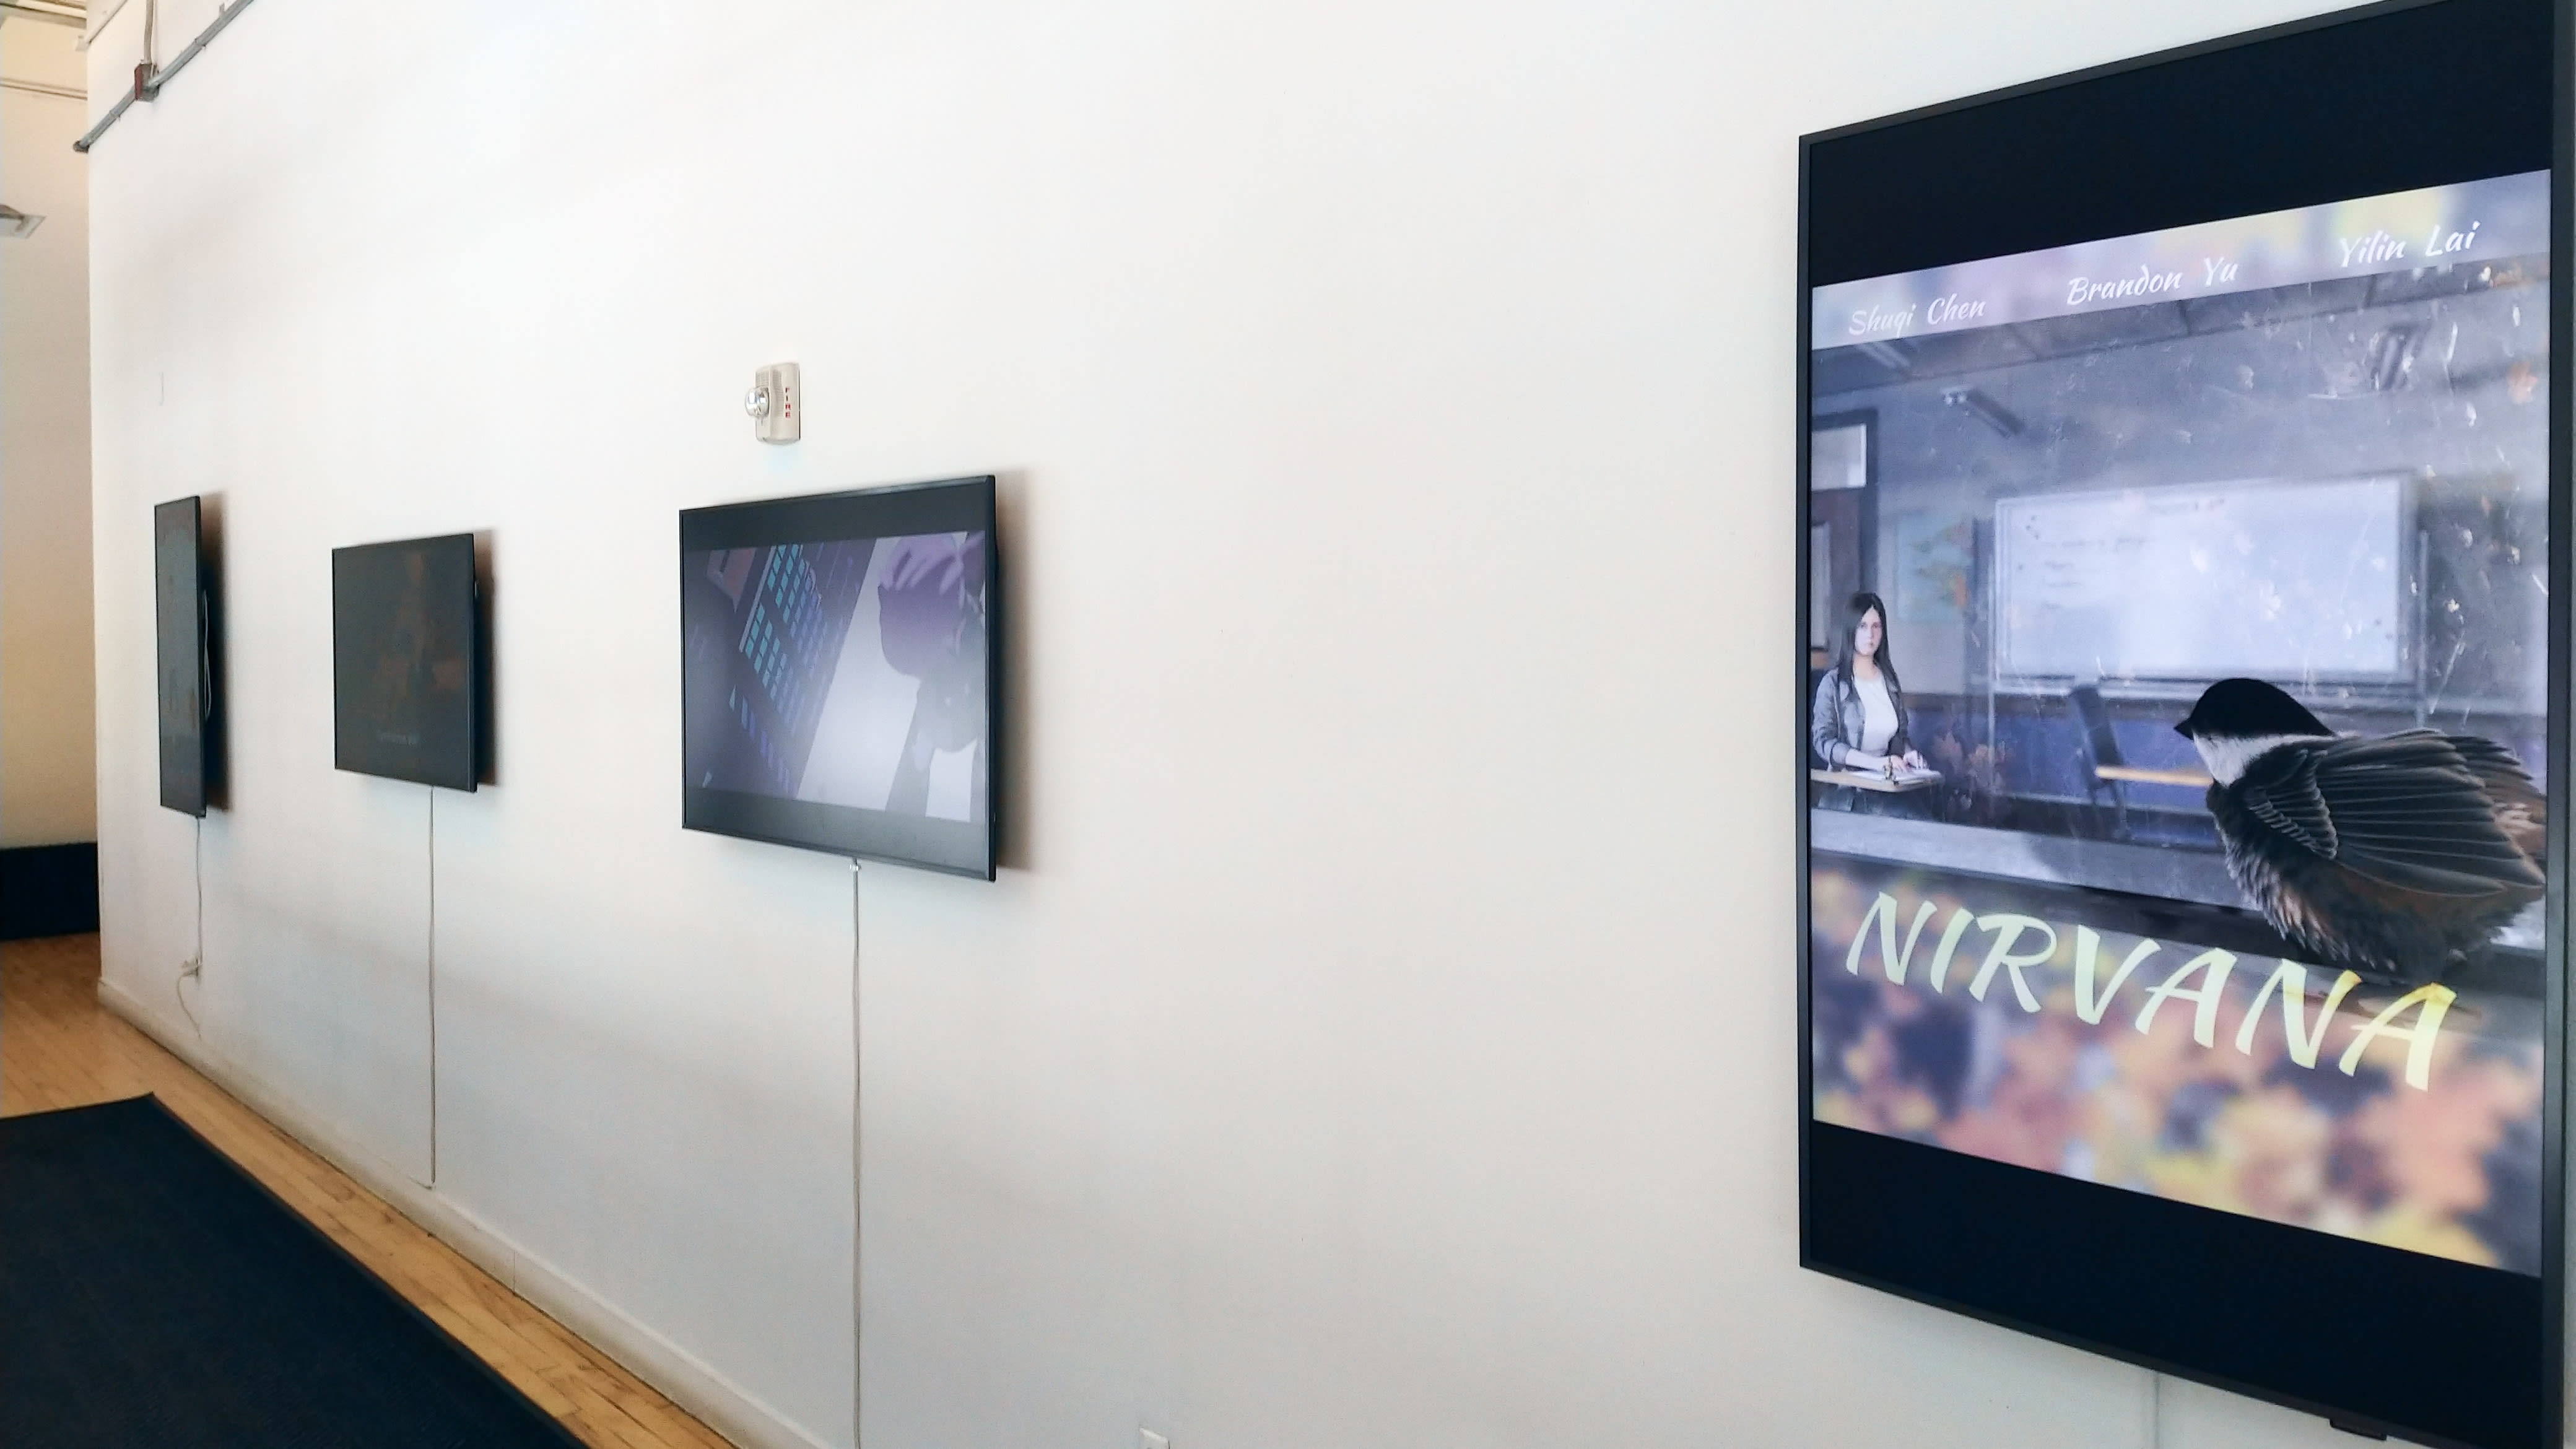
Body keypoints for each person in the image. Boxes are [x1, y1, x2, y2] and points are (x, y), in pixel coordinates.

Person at [1812, 592, 1925, 807]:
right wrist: (1877, 764)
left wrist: (1909, 754)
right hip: (1846, 796)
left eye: (1876, 626)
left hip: (1885, 791)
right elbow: (1823, 742)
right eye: (1862, 626)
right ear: (1851, 630)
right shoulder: (1833, 684)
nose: (1870, 635)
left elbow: (1899, 736)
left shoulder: (1889, 681)